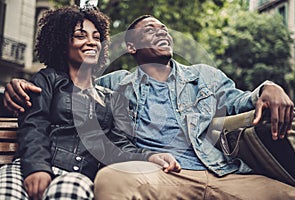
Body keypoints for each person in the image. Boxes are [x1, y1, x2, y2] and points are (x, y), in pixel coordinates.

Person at [3, 15, 295, 199]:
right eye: (149, 30)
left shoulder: (206, 77)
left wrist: (269, 88)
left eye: (164, 29)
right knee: (111, 181)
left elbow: (243, 101)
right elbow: (68, 88)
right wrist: (18, 85)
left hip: (224, 172)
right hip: (162, 177)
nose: (162, 32)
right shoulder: (114, 84)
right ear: (130, 47)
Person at [0, 9, 180, 200]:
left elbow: (118, 146)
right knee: (6, 192)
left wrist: (150, 156)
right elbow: (34, 126)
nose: (92, 42)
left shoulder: (113, 99)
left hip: (76, 176)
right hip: (27, 167)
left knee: (69, 191)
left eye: (96, 37)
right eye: (80, 35)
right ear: (62, 44)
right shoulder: (47, 80)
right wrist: (36, 168)